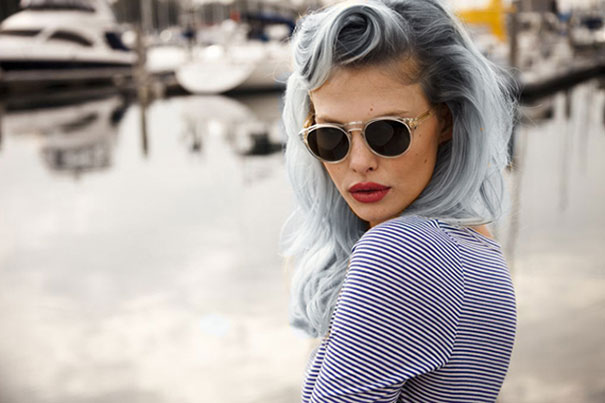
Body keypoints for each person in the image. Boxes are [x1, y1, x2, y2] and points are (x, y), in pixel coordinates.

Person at [279, 0, 518, 402]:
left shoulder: (401, 253)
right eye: (330, 137)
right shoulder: (474, 246)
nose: (359, 162)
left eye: (388, 132)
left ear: (446, 122)